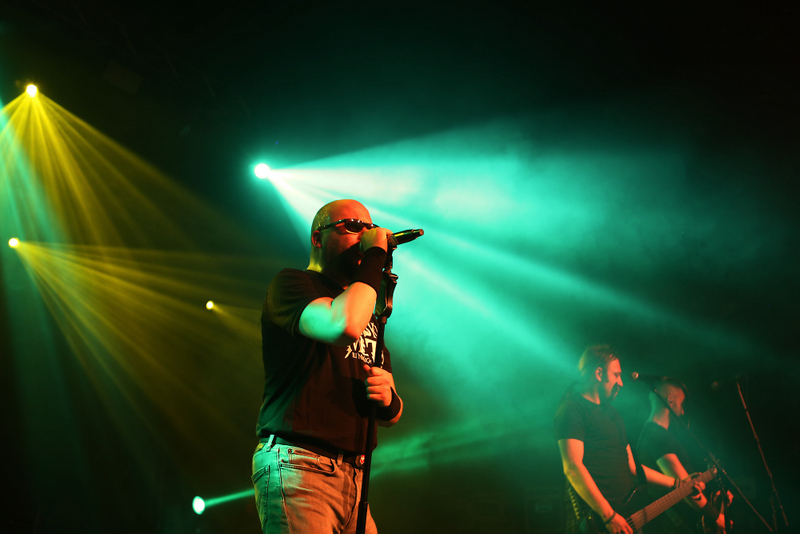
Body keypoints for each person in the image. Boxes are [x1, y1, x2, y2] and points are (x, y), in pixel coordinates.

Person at [252, 199, 404, 534]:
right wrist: (375, 254)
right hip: (301, 465)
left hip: (356, 480)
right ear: (317, 238)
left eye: (370, 228)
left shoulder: (365, 311)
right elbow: (341, 325)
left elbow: (392, 412)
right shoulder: (292, 284)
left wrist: (389, 399)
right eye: (353, 226)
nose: (365, 235)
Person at [555, 345, 701, 534]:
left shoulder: (613, 414)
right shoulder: (572, 409)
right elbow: (573, 467)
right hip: (595, 522)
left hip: (626, 518)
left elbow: (632, 467)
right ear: (598, 374)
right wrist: (609, 516)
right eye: (616, 375)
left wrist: (679, 485)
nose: (621, 383)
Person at [636, 380, 730, 533]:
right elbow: (685, 487)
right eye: (682, 404)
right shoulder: (657, 436)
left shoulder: (654, 434)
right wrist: (716, 517)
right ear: (670, 401)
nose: (683, 412)